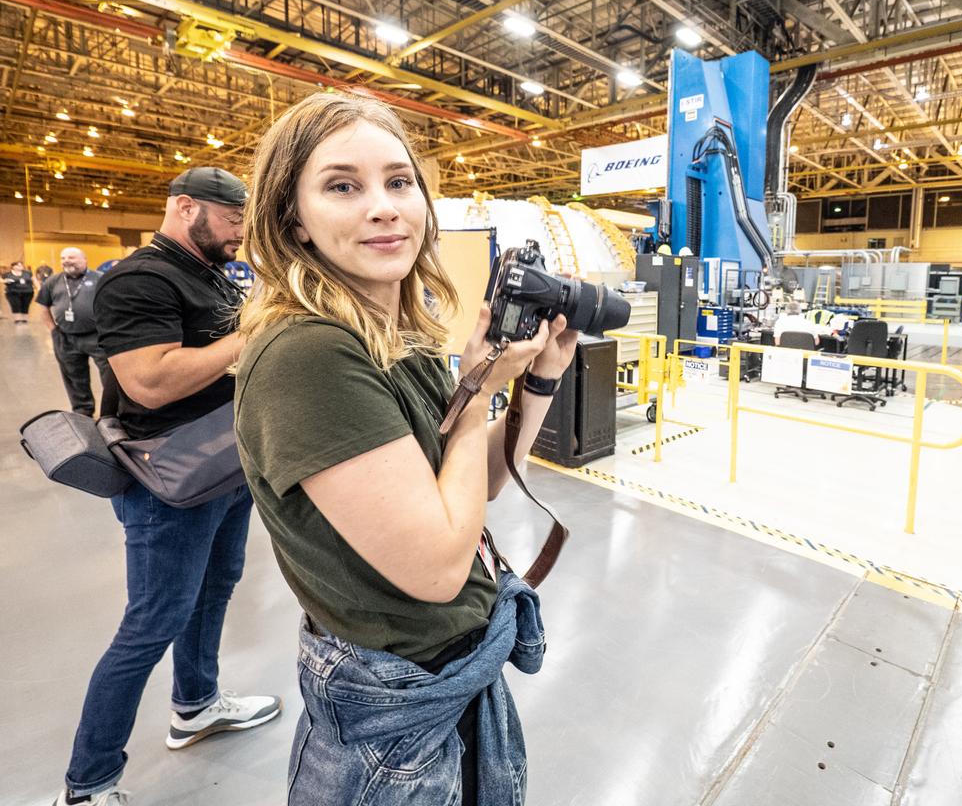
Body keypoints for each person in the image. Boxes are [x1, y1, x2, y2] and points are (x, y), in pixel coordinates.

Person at [233, 92, 577, 804]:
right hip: (393, 708)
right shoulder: (310, 355)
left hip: (447, 674)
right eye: (342, 186)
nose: (385, 206)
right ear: (292, 220)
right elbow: (436, 568)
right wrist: (480, 388)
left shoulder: (395, 335)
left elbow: (472, 486)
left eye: (399, 181)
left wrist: (537, 381)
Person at [51, 167, 281, 806]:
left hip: (222, 469)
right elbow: (149, 381)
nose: (241, 235)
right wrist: (250, 337)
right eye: (234, 220)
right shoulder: (138, 279)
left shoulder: (207, 273)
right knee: (151, 621)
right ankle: (89, 783)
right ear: (187, 208)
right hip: (163, 481)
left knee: (213, 593)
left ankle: (196, 704)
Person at [33, 248, 115, 416]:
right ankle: (83, 412)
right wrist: (53, 330)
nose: (66, 260)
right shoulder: (53, 281)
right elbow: (43, 305)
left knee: (110, 375)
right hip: (66, 337)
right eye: (63, 257)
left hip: (97, 336)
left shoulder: (99, 278)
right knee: (73, 376)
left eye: (71, 257)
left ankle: (112, 412)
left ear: (84, 259)